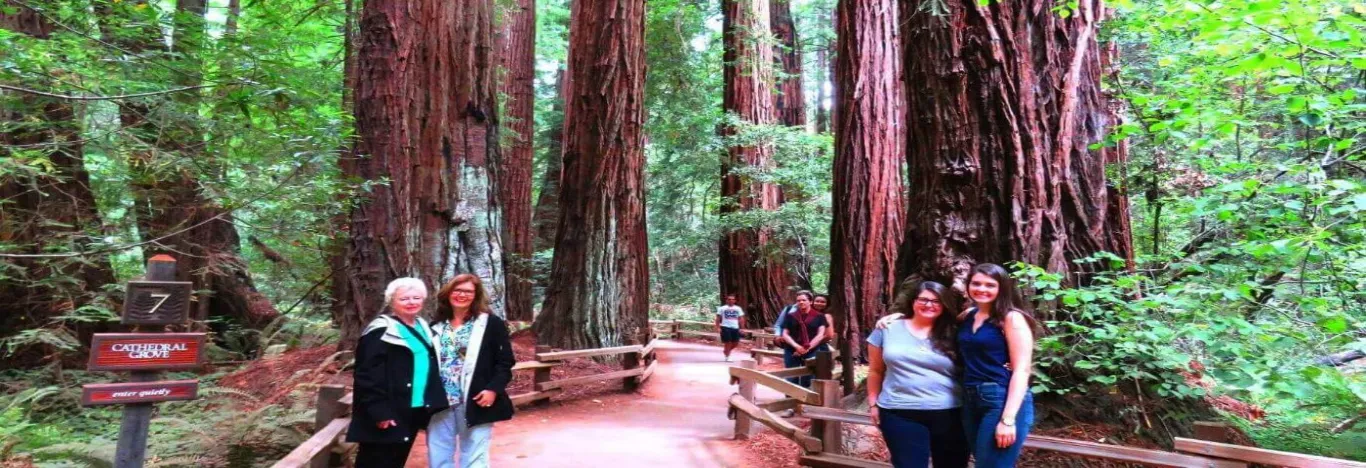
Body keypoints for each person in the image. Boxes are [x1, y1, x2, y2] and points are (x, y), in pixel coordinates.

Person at [867, 281, 970, 468]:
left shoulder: (956, 332)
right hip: (899, 412)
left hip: (950, 413)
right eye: (923, 299)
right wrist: (873, 403)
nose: (929, 305)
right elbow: (875, 371)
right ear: (913, 301)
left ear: (944, 304)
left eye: (936, 301)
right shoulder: (887, 328)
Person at [348, 278, 449, 467]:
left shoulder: (422, 326)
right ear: (391, 301)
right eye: (404, 299)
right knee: (377, 460)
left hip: (413, 406)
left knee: (396, 459)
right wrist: (379, 412)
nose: (411, 302)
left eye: (416, 297)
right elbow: (366, 376)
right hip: (388, 409)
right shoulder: (380, 331)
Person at [427, 274, 516, 468]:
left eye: (468, 291)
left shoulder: (490, 324)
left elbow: (505, 361)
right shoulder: (435, 327)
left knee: (475, 451)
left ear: (476, 296)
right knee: (439, 450)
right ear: (448, 293)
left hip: (477, 398)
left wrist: (493, 389)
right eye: (457, 290)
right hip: (441, 399)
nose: (462, 295)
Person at [956, 263, 1037, 467]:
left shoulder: (1012, 318)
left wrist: (1008, 419)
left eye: (989, 285)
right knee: (985, 462)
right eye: (976, 283)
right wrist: (898, 316)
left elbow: (1021, 370)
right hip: (970, 398)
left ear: (1001, 288)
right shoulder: (968, 316)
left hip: (1000, 399)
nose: (981, 289)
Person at [780, 291, 826, 387]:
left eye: (804, 300)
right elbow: (785, 333)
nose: (801, 302)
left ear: (810, 302)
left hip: (811, 350)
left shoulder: (819, 317)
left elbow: (820, 335)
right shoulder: (790, 316)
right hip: (791, 350)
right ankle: (791, 400)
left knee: (809, 375)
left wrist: (806, 348)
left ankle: (806, 399)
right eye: (798, 300)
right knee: (791, 375)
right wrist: (797, 346)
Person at [714, 293, 746, 362]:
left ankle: (726, 351)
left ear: (735, 301)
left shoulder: (738, 308)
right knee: (728, 342)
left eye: (732, 299)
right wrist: (718, 327)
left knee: (736, 343)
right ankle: (727, 356)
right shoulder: (722, 308)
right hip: (725, 327)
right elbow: (718, 318)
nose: (731, 300)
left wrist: (742, 328)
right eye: (729, 299)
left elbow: (741, 318)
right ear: (726, 300)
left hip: (735, 327)